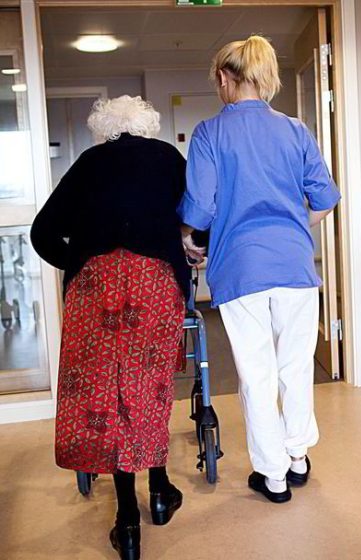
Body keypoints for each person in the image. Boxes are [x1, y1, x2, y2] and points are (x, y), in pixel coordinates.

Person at [178, 36, 341, 504]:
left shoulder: (210, 133)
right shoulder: (295, 130)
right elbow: (325, 200)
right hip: (294, 266)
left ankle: (272, 476)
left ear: (224, 78)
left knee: (257, 373)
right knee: (295, 366)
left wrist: (188, 238)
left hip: (240, 269)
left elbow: (200, 209)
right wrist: (290, 223)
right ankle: (297, 456)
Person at [31, 95, 189, 560]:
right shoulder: (167, 158)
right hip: (154, 282)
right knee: (150, 387)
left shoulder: (88, 162)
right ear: (147, 126)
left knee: (110, 393)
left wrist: (78, 263)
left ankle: (127, 520)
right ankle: (158, 491)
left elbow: (42, 233)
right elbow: (198, 215)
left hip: (94, 287)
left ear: (104, 129)